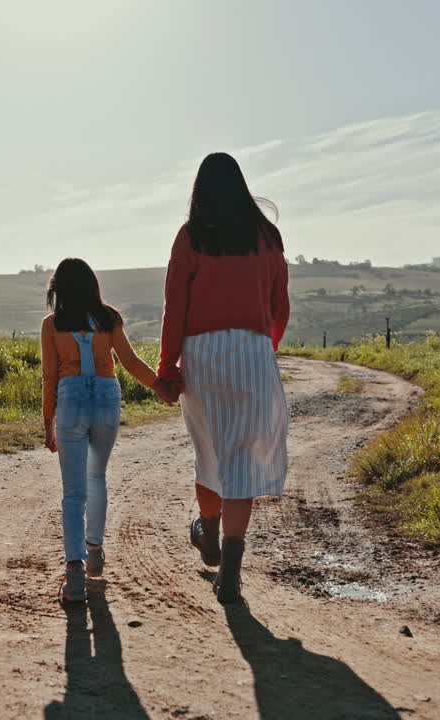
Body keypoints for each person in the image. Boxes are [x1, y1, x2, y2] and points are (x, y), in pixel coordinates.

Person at [157, 152, 290, 604]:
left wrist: (167, 365)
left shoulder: (192, 236)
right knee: (243, 460)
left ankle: (208, 535)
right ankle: (230, 574)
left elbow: (175, 307)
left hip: (202, 355)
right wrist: (263, 348)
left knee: (209, 452)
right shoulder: (267, 237)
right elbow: (279, 305)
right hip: (252, 352)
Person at [40, 258, 175, 604]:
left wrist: (47, 422)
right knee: (96, 477)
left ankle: (74, 574)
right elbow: (129, 362)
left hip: (70, 399)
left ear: (57, 290)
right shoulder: (109, 318)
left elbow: (50, 378)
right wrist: (159, 386)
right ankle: (95, 549)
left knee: (73, 493)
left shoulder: (51, 325)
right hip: (105, 398)